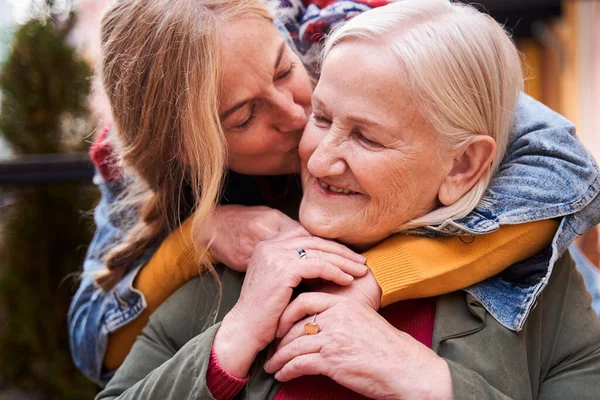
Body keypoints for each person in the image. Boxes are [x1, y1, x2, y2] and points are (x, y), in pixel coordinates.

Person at [69, 0, 600, 387]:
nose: (298, 118)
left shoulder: (352, 40)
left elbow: (567, 173)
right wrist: (198, 240)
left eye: (286, 70)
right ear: (187, 151)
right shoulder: (154, 181)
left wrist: (378, 282)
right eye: (245, 115)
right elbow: (95, 338)